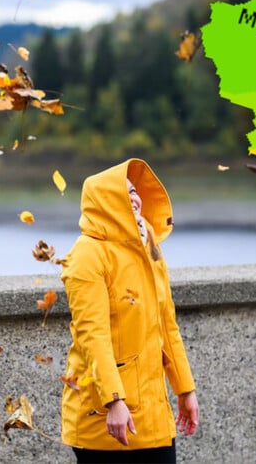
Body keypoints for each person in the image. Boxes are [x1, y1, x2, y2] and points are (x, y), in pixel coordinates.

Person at [60, 158, 199, 463]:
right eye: (124, 193)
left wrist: (184, 389)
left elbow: (166, 324)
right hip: (104, 416)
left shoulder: (147, 245)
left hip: (153, 412)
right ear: (106, 202)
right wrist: (113, 401)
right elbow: (91, 335)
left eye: (135, 190)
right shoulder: (87, 254)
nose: (135, 197)